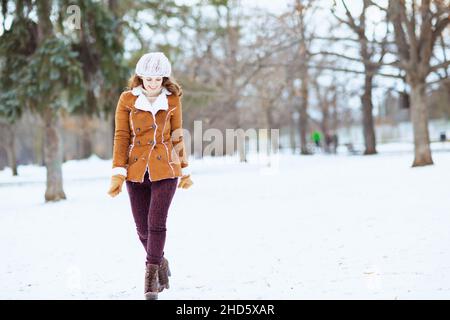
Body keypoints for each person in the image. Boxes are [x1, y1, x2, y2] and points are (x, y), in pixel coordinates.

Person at [107, 52, 193, 300]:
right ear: (140, 77)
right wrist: (118, 172)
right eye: (148, 79)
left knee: (156, 223)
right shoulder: (126, 100)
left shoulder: (173, 100)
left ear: (164, 78)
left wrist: (184, 168)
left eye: (158, 79)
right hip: (136, 171)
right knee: (141, 228)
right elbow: (121, 136)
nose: (153, 83)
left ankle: (150, 276)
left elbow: (177, 134)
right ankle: (161, 260)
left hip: (166, 169)